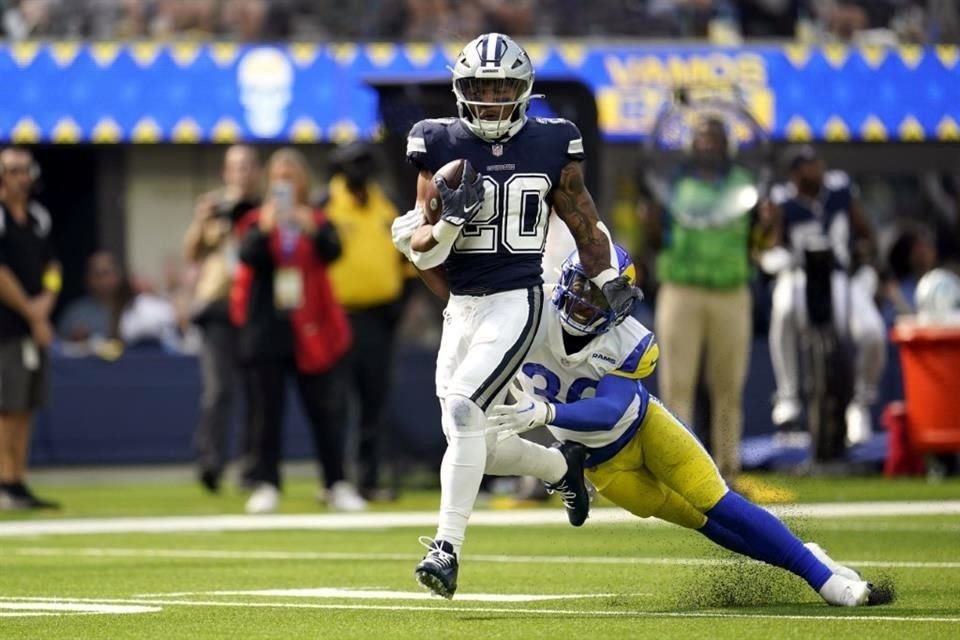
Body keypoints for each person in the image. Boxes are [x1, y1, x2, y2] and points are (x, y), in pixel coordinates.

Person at [394, 216, 876, 607]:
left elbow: (609, 410)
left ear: (618, 307)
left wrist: (545, 413)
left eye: (598, 296)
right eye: (581, 286)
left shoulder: (628, 342)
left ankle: (820, 578)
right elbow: (462, 290)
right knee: (703, 523)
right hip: (604, 468)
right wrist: (419, 251)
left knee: (718, 502)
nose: (584, 301)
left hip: (643, 430)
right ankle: (806, 558)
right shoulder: (529, 309)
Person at [401, 32, 639, 598]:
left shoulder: (552, 142)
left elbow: (584, 221)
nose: (489, 97)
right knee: (477, 433)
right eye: (480, 86)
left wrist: (606, 277)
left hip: (517, 299)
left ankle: (446, 548)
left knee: (462, 411)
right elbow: (425, 253)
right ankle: (563, 469)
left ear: (523, 90)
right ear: (462, 90)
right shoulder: (435, 142)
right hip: (461, 307)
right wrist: (451, 221)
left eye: (502, 85)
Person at [230, 148, 365, 514]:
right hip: (269, 328)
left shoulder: (318, 219)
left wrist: (312, 228)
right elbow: (247, 257)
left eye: (292, 177)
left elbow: (334, 252)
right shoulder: (255, 220)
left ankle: (335, 482)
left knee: (325, 411)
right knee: (266, 413)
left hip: (313, 328)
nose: (285, 183)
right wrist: (265, 227)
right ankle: (267, 483)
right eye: (279, 177)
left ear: (303, 182)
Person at [645, 116, 773, 483]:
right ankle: (679, 470)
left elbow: (760, 244)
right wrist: (649, 221)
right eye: (701, 137)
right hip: (680, 288)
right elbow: (654, 240)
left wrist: (767, 226)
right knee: (676, 385)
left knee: (729, 386)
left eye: (715, 137)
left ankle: (727, 470)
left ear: (726, 145)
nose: (707, 144)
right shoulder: (673, 184)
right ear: (691, 144)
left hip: (732, 289)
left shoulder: (745, 185)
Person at [767, 146, 885, 445]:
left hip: (840, 277)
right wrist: (774, 250)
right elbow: (770, 245)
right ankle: (788, 394)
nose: (814, 170)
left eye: (815, 163)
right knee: (782, 310)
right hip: (799, 276)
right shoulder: (781, 199)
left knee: (872, 333)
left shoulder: (841, 189)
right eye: (804, 166)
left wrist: (870, 262)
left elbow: (866, 231)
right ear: (793, 173)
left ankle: (858, 403)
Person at [323, 141, 407, 501]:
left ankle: (368, 479)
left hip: (378, 318)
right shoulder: (324, 205)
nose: (359, 172)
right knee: (334, 401)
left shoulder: (386, 205)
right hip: (336, 317)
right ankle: (335, 480)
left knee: (373, 401)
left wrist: (398, 307)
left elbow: (409, 259)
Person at [184, 144, 262, 493]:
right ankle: (210, 462)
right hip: (217, 305)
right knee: (218, 390)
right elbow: (191, 254)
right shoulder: (214, 206)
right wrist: (204, 221)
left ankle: (250, 466)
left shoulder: (266, 208)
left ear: (256, 171)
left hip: (254, 306)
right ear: (226, 172)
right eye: (236, 167)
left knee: (254, 392)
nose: (242, 173)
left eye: (247, 166)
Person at [0, 146, 59, 510]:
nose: (22, 177)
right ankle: (4, 481)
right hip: (6, 327)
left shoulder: (38, 217)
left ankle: (18, 479)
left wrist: (46, 302)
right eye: (13, 170)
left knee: (26, 406)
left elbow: (53, 267)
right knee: (6, 406)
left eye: (25, 169)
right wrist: (32, 313)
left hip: (32, 327)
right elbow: (2, 273)